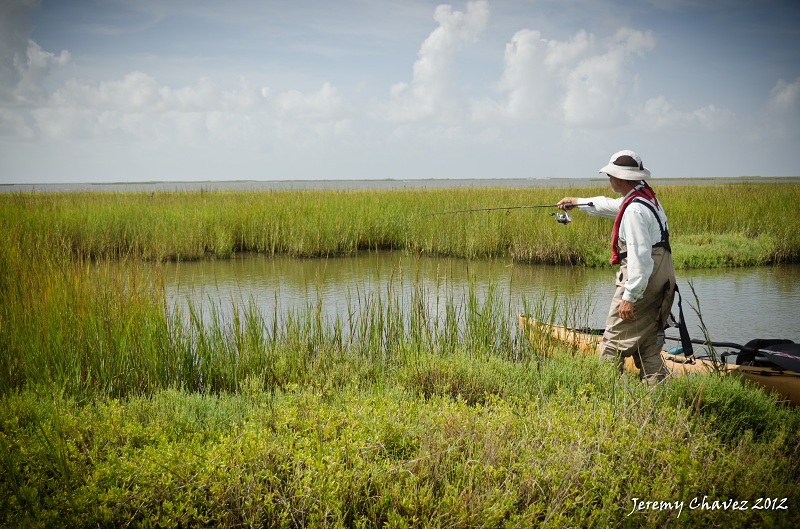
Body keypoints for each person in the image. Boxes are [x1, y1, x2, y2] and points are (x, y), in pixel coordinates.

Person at [557, 150, 675, 384]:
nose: (609, 179)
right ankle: (658, 398)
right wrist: (577, 202)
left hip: (642, 280)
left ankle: (605, 399)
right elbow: (611, 206)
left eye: (611, 175)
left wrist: (630, 297)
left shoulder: (633, 211)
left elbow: (640, 259)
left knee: (612, 344)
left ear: (620, 177)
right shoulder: (645, 197)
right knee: (649, 345)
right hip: (662, 278)